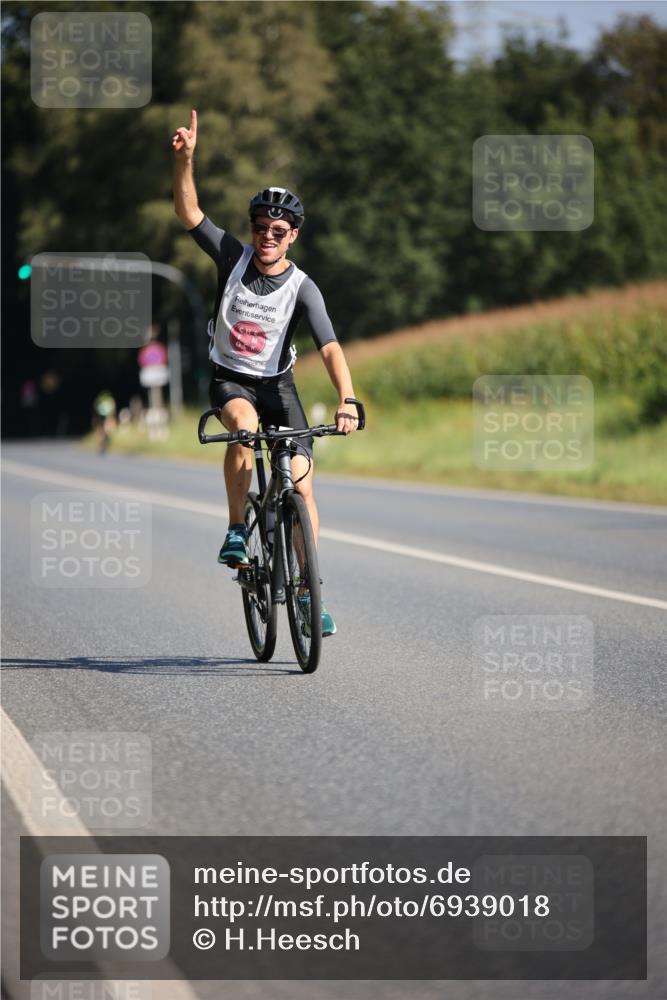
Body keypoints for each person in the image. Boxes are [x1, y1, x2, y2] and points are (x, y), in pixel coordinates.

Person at [172, 109, 359, 637]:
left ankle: (307, 593)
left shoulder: (304, 287)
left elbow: (329, 345)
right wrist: (186, 162)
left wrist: (347, 398)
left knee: (301, 482)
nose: (267, 236)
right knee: (244, 427)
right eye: (260, 227)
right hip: (230, 379)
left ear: (293, 235)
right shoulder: (232, 256)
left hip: (279, 386)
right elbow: (189, 212)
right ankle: (236, 530)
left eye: (278, 230)